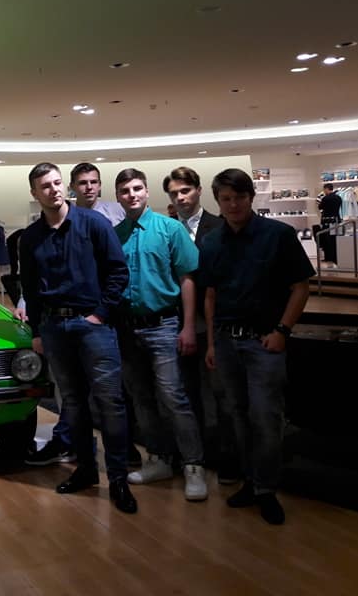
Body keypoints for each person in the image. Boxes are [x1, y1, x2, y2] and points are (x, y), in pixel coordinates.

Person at [19, 162, 137, 514]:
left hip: (93, 327)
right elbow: (30, 289)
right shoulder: (31, 237)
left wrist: (100, 313)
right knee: (72, 404)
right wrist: (38, 331)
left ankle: (117, 478)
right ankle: (86, 470)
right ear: (34, 193)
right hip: (56, 329)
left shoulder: (94, 224)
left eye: (57, 183)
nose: (54, 189)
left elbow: (117, 272)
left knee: (110, 403)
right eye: (45, 186)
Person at [201, 168, 314, 525]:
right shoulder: (212, 243)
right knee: (238, 415)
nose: (233, 204)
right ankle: (250, 481)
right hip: (226, 341)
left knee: (266, 417)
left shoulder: (278, 235)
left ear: (251, 198)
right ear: (218, 202)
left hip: (264, 341)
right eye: (226, 199)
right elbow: (210, 294)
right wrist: (212, 342)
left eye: (240, 197)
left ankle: (266, 488)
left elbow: (300, 287)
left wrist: (282, 330)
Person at [114, 169, 207, 501]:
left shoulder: (170, 229)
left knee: (173, 396)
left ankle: (193, 464)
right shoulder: (116, 234)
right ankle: (159, 459)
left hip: (164, 326)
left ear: (147, 191)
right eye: (125, 190)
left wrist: (187, 327)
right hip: (127, 328)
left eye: (137, 188)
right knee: (141, 397)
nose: (132, 194)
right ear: (118, 195)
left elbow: (187, 279)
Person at [164, 166, 238, 483]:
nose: (180, 198)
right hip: (177, 324)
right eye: (174, 193)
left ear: (197, 191)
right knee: (186, 393)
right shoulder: (166, 229)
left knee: (221, 395)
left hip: (215, 324)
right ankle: (195, 455)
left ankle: (229, 460)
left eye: (185, 191)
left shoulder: (219, 227)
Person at [69, 162, 125, 226]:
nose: (89, 187)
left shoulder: (118, 210)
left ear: (100, 185)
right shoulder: (66, 215)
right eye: (83, 183)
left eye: (93, 182)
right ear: (72, 186)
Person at [317, 183, 343, 265]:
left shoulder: (325, 198)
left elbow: (320, 207)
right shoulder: (339, 198)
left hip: (327, 222)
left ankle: (329, 257)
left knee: (327, 240)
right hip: (336, 220)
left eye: (324, 189)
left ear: (326, 189)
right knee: (336, 239)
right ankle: (336, 257)